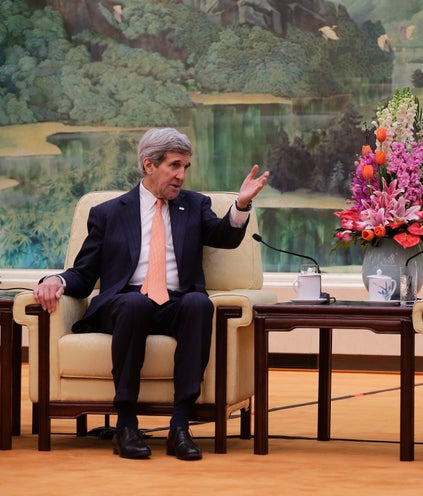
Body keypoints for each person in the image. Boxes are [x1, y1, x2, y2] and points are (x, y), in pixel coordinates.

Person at [32, 127, 269, 461]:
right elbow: (84, 273)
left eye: (185, 166)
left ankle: (180, 427)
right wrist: (55, 279)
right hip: (123, 302)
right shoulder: (109, 212)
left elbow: (224, 236)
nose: (181, 175)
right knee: (134, 303)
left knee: (199, 303)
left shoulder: (194, 205)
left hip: (174, 302)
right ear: (149, 165)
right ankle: (126, 424)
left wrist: (241, 204)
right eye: (174, 165)